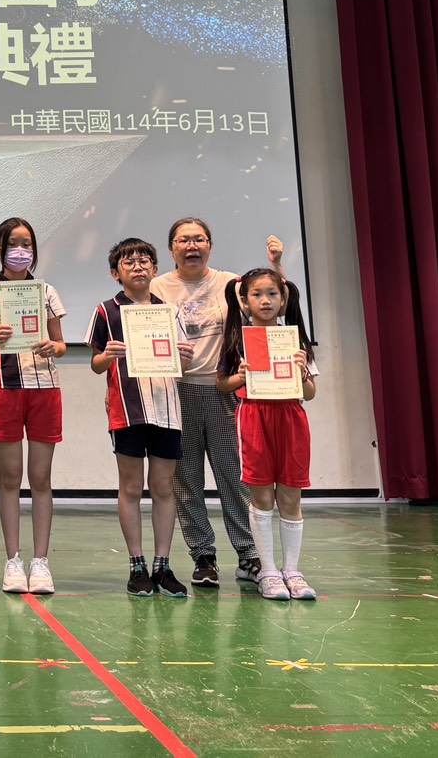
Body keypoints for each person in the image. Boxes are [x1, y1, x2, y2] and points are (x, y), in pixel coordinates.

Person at [149, 218, 283, 589]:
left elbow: (275, 302)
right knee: (185, 480)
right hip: (176, 392)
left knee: (235, 477)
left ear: (210, 244)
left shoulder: (231, 284)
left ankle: (249, 554)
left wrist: (276, 264)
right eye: (183, 240)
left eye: (199, 239)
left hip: (225, 391)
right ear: (172, 248)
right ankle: (203, 556)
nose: (191, 246)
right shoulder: (157, 287)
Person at [86, 237, 195, 598]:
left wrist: (184, 356)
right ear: (115, 273)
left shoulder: (169, 312)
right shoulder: (106, 311)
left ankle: (163, 565)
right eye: (128, 262)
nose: (137, 266)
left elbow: (183, 364)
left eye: (144, 260)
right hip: (127, 410)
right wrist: (108, 355)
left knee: (163, 488)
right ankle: (137, 565)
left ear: (155, 268)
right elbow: (96, 363)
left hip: (167, 410)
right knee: (131, 488)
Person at [0, 216, 67, 595]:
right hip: (5, 388)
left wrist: (52, 346)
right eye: (13, 244)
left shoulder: (46, 291)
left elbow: (61, 344)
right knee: (10, 478)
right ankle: (13, 560)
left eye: (27, 244)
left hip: (44, 388)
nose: (21, 251)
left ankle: (41, 562)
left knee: (41, 479)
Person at [216, 269, 319, 601]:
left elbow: (310, 393)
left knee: (290, 497)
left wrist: (302, 373)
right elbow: (223, 383)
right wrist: (241, 376)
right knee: (261, 497)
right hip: (254, 416)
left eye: (272, 294)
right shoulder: (238, 340)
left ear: (283, 298)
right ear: (244, 301)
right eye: (257, 294)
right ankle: (269, 571)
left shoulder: (295, 340)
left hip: (291, 417)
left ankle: (293, 571)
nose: (265, 300)